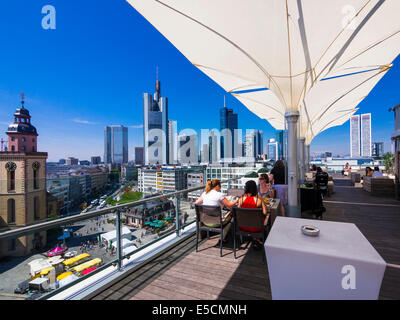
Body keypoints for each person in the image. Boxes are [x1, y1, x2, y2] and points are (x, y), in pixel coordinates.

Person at [237, 180, 268, 249]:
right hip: (256, 227)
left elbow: (239, 211)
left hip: (243, 226)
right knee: (265, 219)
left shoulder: (241, 199)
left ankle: (256, 239)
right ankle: (259, 239)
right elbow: (265, 212)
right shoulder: (258, 200)